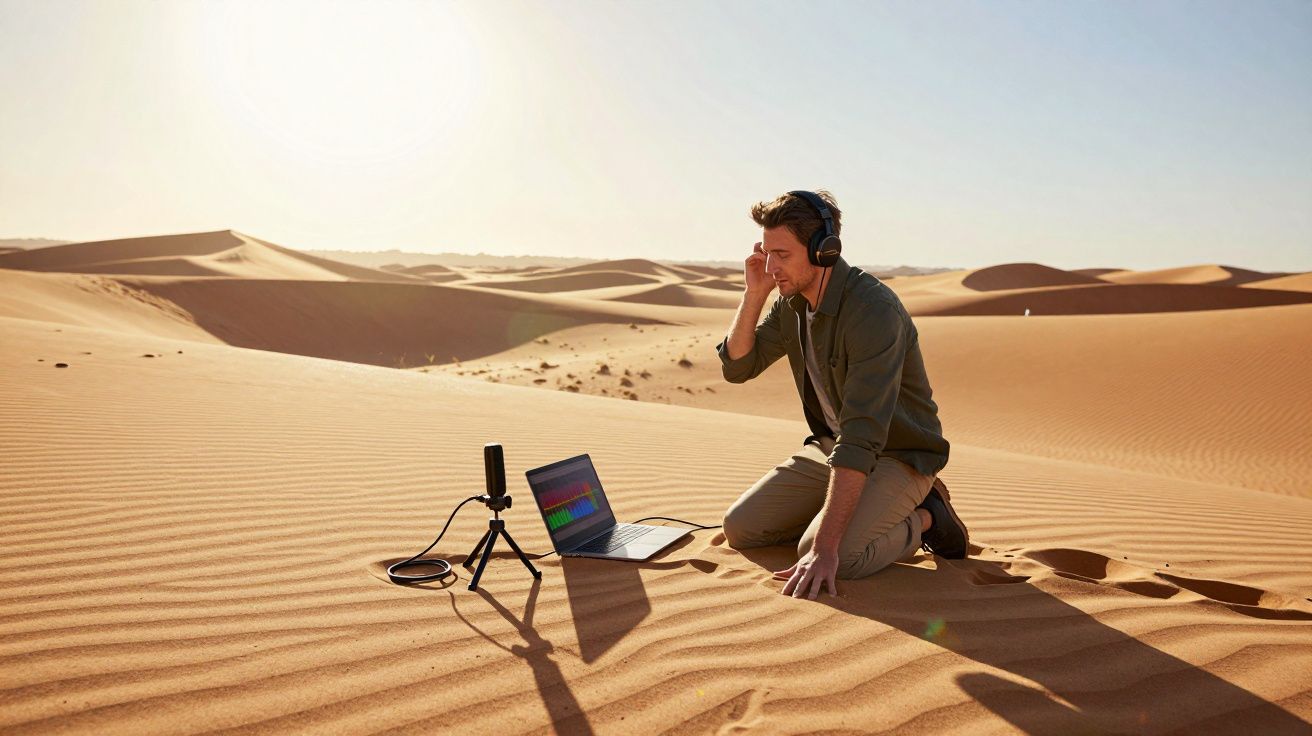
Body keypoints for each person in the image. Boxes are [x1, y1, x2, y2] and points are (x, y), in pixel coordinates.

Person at [717, 189, 968, 601]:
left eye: (782, 254)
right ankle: (851, 512)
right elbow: (738, 367)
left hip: (897, 454)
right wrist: (754, 294)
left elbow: (862, 435)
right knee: (741, 527)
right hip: (835, 451)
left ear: (824, 250)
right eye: (765, 252)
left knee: (841, 558)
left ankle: (927, 516)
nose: (770, 265)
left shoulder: (873, 311)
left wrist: (826, 547)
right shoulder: (792, 303)